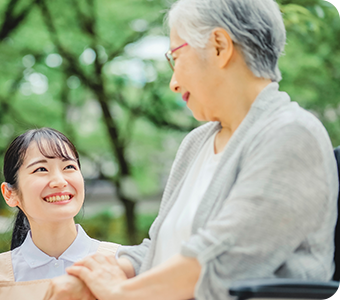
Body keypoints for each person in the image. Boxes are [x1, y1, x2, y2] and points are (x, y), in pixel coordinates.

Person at [59, 0, 339, 299]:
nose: (173, 83)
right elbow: (161, 248)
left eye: (175, 57)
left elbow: (223, 262)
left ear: (220, 46)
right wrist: (101, 273)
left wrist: (120, 292)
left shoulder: (291, 134)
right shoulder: (197, 143)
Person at [0, 128, 118, 300]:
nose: (59, 181)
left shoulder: (123, 263)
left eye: (69, 166)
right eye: (41, 169)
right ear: (10, 194)